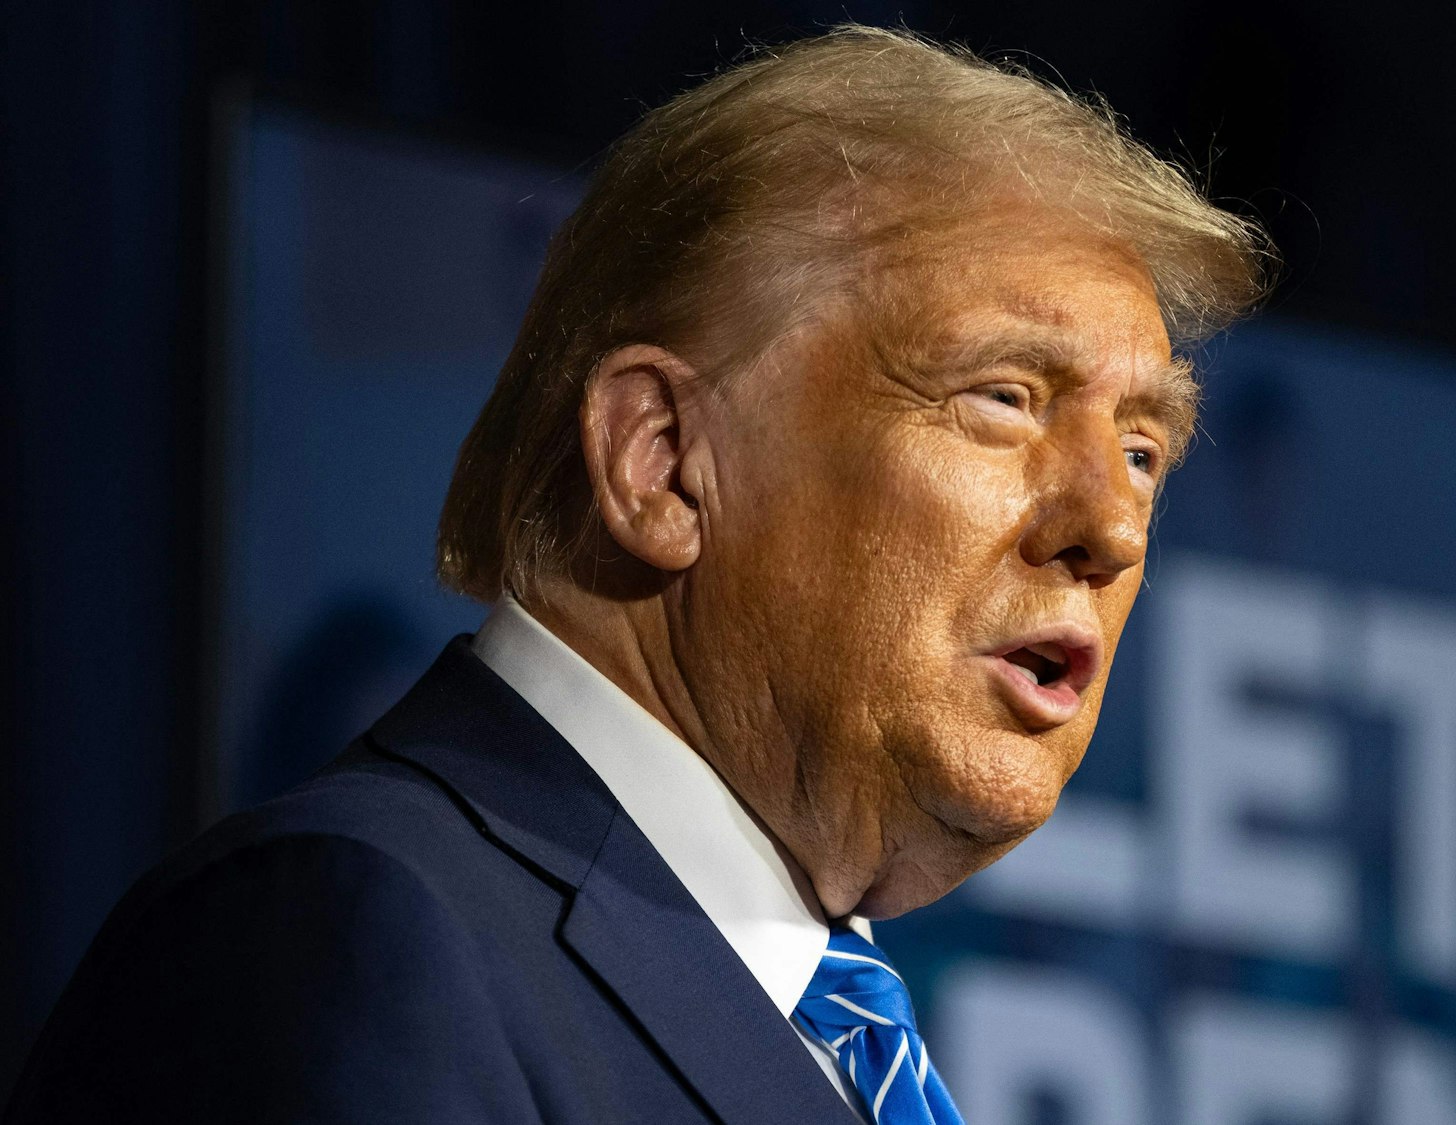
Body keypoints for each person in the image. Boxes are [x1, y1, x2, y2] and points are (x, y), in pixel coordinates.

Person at [6, 25, 1266, 1124]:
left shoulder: (834, 1039)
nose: (1111, 523)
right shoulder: (350, 940)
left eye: (1145, 448)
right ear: (661, 463)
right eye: (1001, 397)